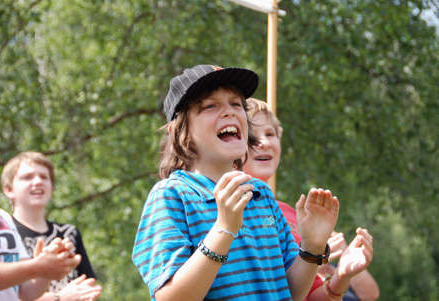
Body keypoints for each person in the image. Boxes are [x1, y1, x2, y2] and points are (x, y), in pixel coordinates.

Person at [132, 64, 340, 300]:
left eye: (236, 104)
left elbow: (291, 292)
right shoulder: (172, 196)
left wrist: (312, 246)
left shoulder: (261, 194)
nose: (230, 112)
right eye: (210, 105)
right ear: (179, 132)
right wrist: (224, 229)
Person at [242, 97, 379, 301]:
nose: (264, 142)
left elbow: (311, 296)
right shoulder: (220, 207)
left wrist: (342, 275)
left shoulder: (290, 213)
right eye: (251, 136)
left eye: (270, 134)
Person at [0, 122, 81, 301]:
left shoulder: (1, 219)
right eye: (27, 177)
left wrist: (49, 266)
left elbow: (25, 292)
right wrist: (38, 268)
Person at [1, 151, 102, 301]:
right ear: (9, 190)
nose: (37, 182)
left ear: (52, 187)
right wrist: (59, 298)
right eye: (27, 177)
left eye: (44, 177)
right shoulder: (1, 234)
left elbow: (88, 286)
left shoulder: (69, 233)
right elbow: (6, 296)